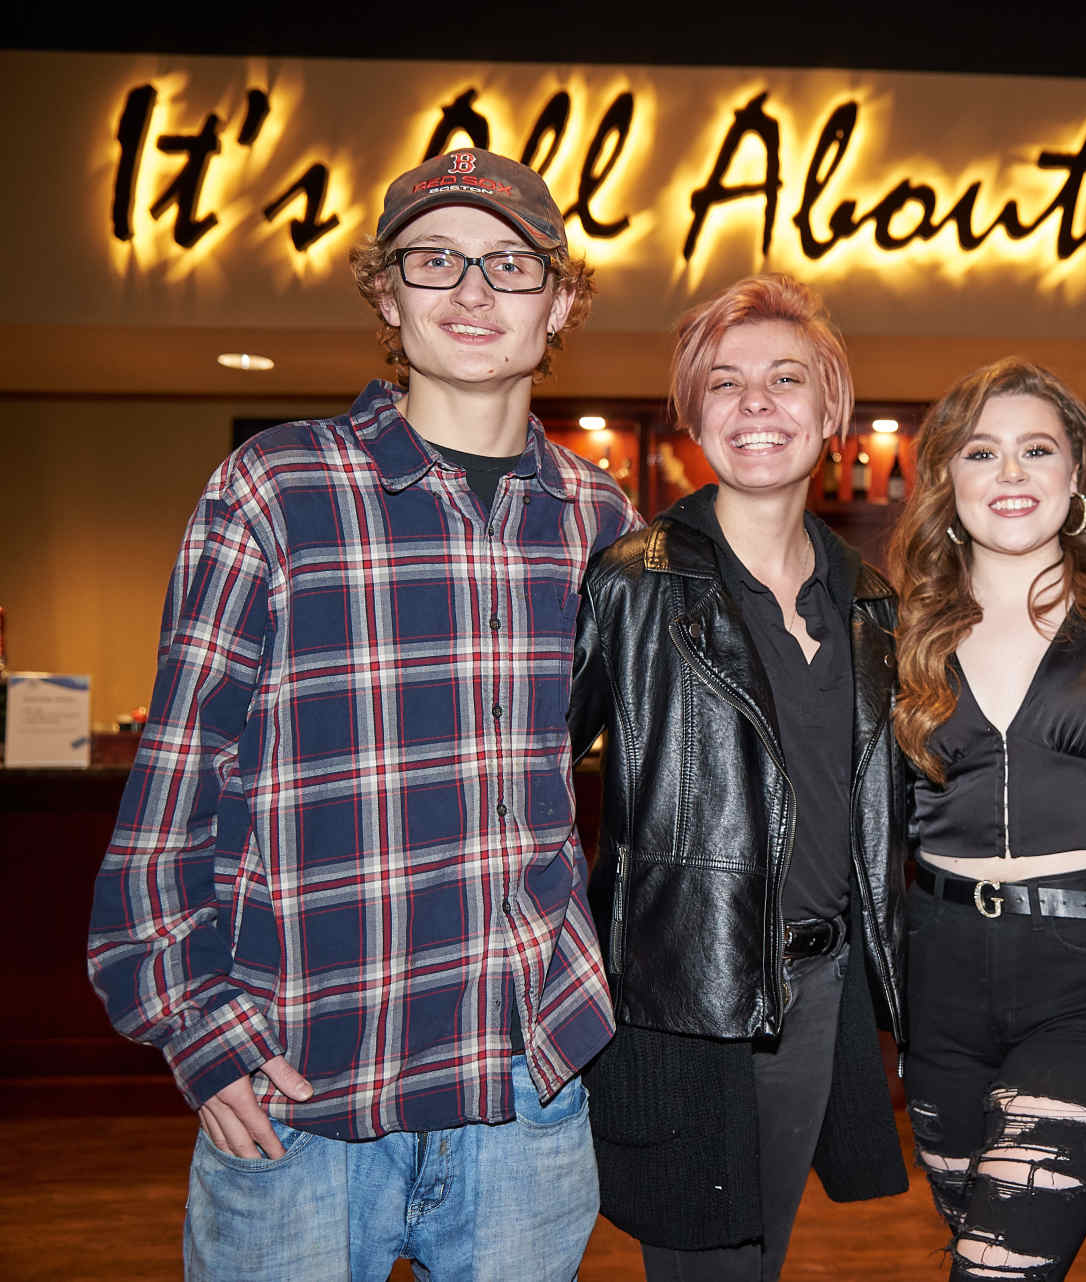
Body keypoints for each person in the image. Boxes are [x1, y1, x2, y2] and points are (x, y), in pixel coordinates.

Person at [85, 149, 637, 1281]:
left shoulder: (599, 517)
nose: (473, 291)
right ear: (387, 293)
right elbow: (179, 778)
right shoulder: (277, 487)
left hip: (525, 1089)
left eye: (511, 264)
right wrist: (198, 1026)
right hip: (302, 1090)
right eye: (435, 260)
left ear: (560, 302)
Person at [570, 272, 908, 1280]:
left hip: (819, 996)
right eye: (725, 382)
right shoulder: (632, 583)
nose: (757, 402)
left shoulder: (871, 603)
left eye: (787, 378)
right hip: (683, 1003)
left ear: (831, 410)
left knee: (762, 1259)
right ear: (693, 415)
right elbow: (528, 786)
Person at [889, 358, 1086, 1280]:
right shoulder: (898, 630)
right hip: (938, 974)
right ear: (948, 478)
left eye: (1037, 450)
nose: (1010, 473)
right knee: (978, 1249)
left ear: (1076, 472)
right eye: (982, 452)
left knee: (999, 1266)